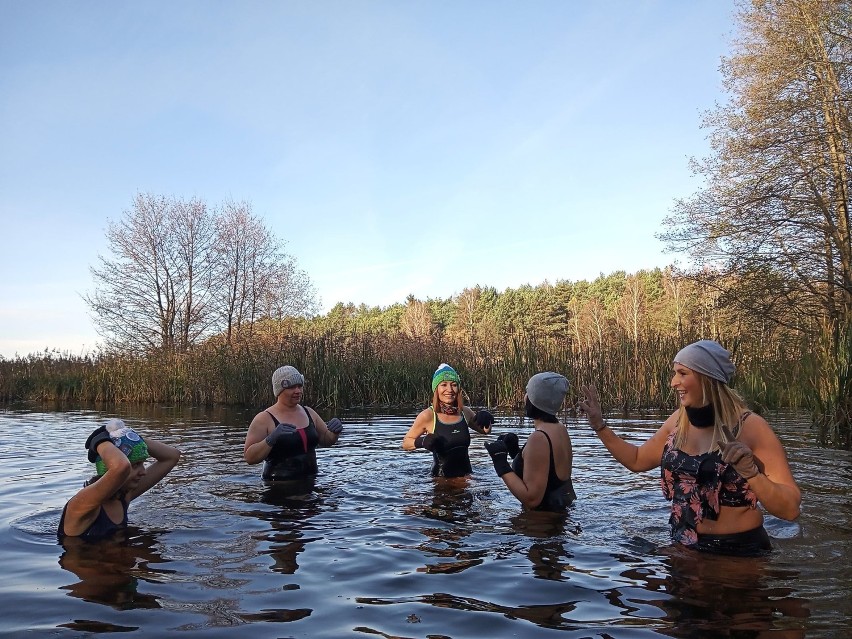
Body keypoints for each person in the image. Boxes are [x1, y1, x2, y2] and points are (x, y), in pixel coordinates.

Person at [579, 339, 801, 556]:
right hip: (684, 547)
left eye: (683, 373)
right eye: (675, 373)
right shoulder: (678, 421)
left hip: (738, 554)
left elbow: (790, 509)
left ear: (708, 378)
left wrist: (751, 473)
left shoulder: (751, 427)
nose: (674, 382)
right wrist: (600, 426)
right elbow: (637, 460)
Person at [58, 419, 181, 540]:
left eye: (142, 464)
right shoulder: (83, 502)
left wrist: (130, 437)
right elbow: (121, 467)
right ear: (108, 469)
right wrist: (100, 441)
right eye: (135, 465)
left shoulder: (123, 495)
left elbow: (172, 456)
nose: (143, 472)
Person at [484, 372, 577, 511]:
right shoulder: (560, 429)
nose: (525, 397)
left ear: (536, 399)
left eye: (528, 392)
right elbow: (549, 474)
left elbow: (532, 499)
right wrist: (516, 453)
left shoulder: (539, 438)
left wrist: (501, 463)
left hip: (540, 524)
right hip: (561, 516)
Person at [244, 365, 344, 482]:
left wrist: (335, 431)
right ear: (279, 390)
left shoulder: (309, 412)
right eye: (292, 387)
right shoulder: (264, 418)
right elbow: (249, 457)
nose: (298, 391)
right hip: (278, 487)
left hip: (310, 483)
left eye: (300, 386)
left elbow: (326, 440)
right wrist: (270, 439)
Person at [402, 363, 496, 477]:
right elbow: (406, 443)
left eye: (454, 385)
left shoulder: (464, 412)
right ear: (436, 389)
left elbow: (485, 431)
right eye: (444, 385)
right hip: (441, 481)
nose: (449, 390)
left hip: (467, 477)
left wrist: (486, 419)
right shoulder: (428, 416)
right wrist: (422, 441)